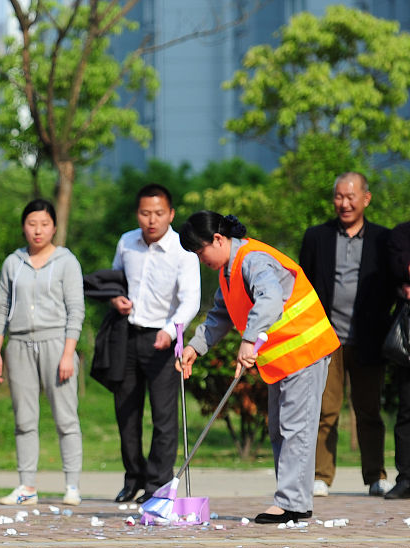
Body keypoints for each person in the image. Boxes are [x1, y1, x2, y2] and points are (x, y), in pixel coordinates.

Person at [178, 211, 339, 524]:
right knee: (281, 429)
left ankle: (291, 502)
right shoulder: (229, 270)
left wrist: (249, 340)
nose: (201, 260)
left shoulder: (254, 259)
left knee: (295, 429)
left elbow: (270, 300)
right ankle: (296, 500)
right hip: (282, 359)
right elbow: (219, 316)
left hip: (305, 349)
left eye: (201, 252)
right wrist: (195, 346)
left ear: (218, 239)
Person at [299, 172, 393, 497]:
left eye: (351, 196)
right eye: (339, 196)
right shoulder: (317, 237)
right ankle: (321, 477)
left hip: (368, 338)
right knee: (325, 410)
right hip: (328, 339)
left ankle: (376, 476)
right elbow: (304, 287)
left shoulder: (383, 239)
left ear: (366, 198)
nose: (345, 203)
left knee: (369, 410)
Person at [109, 184, 200, 503]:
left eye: (159, 213)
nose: (152, 220)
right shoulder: (126, 243)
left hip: (164, 340)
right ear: (138, 214)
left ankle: (158, 484)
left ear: (171, 214)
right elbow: (114, 281)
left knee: (164, 417)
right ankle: (133, 478)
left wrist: (171, 331)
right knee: (126, 413)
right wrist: (116, 300)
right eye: (146, 213)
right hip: (129, 336)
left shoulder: (183, 250)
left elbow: (191, 300)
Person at [0, 199, 85, 506]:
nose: (38, 230)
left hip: (57, 344)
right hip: (18, 345)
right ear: (23, 226)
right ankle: (26, 486)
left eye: (44, 224)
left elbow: (76, 310)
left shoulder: (66, 261)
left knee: (66, 418)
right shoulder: (12, 262)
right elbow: (1, 308)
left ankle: (72, 485)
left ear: (54, 227)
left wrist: (68, 353)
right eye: (32, 224)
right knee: (24, 419)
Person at [385, 222, 410, 499]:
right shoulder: (402, 234)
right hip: (408, 338)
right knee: (407, 410)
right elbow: (399, 268)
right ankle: (406, 477)